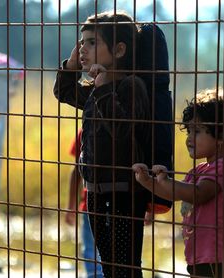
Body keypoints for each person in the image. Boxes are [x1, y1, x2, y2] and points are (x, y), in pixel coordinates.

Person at [54, 10, 155, 277]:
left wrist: (101, 87)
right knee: (110, 266)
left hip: (123, 194)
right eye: (81, 42)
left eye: (91, 43)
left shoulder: (132, 86)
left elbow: (122, 127)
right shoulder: (96, 88)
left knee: (125, 266)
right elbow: (64, 92)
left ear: (119, 49)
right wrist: (71, 67)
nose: (82, 49)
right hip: (96, 193)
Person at [132, 89, 224, 277]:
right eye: (188, 130)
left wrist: (166, 180)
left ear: (222, 136)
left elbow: (198, 194)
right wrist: (148, 182)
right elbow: (175, 194)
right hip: (201, 260)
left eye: (196, 131)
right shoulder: (198, 171)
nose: (189, 138)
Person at [65, 129, 103, 278]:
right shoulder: (130, 124)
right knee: (122, 255)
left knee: (91, 253)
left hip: (91, 203)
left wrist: (71, 206)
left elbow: (77, 171)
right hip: (125, 204)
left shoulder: (88, 128)